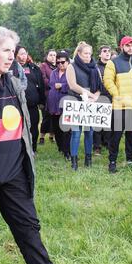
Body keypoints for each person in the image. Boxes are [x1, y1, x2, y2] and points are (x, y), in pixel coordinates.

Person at [0, 26, 53, 264]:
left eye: (12, 50)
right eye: (5, 50)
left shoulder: (13, 83)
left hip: (14, 173)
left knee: (29, 231)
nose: (11, 56)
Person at [104, 36, 132, 173]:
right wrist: (117, 95)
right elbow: (108, 81)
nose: (130, 48)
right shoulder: (113, 62)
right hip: (120, 106)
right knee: (115, 135)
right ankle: (112, 161)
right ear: (122, 47)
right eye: (127, 45)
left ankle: (130, 159)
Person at [66, 42, 102, 171]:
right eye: (85, 53)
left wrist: (95, 97)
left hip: (91, 103)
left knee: (89, 132)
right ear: (79, 53)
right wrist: (90, 94)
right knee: (76, 133)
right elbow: (73, 85)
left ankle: (88, 159)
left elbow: (99, 87)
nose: (88, 56)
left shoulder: (95, 67)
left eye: (90, 54)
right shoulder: (72, 66)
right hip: (76, 101)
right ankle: (74, 161)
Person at [15, 45, 46, 153]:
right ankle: (20, 149)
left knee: (33, 127)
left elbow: (41, 85)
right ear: (15, 55)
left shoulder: (34, 68)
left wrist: (42, 101)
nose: (23, 56)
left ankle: (33, 149)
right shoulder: (11, 68)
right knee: (19, 128)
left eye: (24, 53)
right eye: (20, 54)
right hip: (17, 105)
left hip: (32, 105)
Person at [47, 51, 71, 160]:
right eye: (58, 62)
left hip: (65, 104)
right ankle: (60, 147)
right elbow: (51, 84)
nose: (60, 64)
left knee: (66, 128)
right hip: (53, 104)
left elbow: (72, 86)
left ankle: (67, 150)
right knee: (56, 128)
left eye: (62, 62)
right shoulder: (53, 72)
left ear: (67, 62)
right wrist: (57, 85)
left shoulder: (71, 72)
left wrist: (62, 85)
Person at [93, 45, 112, 156]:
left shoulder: (113, 65)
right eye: (104, 51)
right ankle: (97, 146)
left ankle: (108, 143)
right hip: (99, 97)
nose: (107, 53)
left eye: (109, 51)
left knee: (109, 122)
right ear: (100, 54)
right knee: (98, 122)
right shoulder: (95, 67)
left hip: (111, 96)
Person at [39, 49, 57, 145]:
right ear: (47, 56)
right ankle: (41, 136)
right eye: (51, 55)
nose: (53, 56)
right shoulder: (43, 66)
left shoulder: (58, 66)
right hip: (47, 94)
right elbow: (43, 79)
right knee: (46, 116)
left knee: (54, 116)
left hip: (56, 95)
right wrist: (55, 84)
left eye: (54, 55)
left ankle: (52, 136)